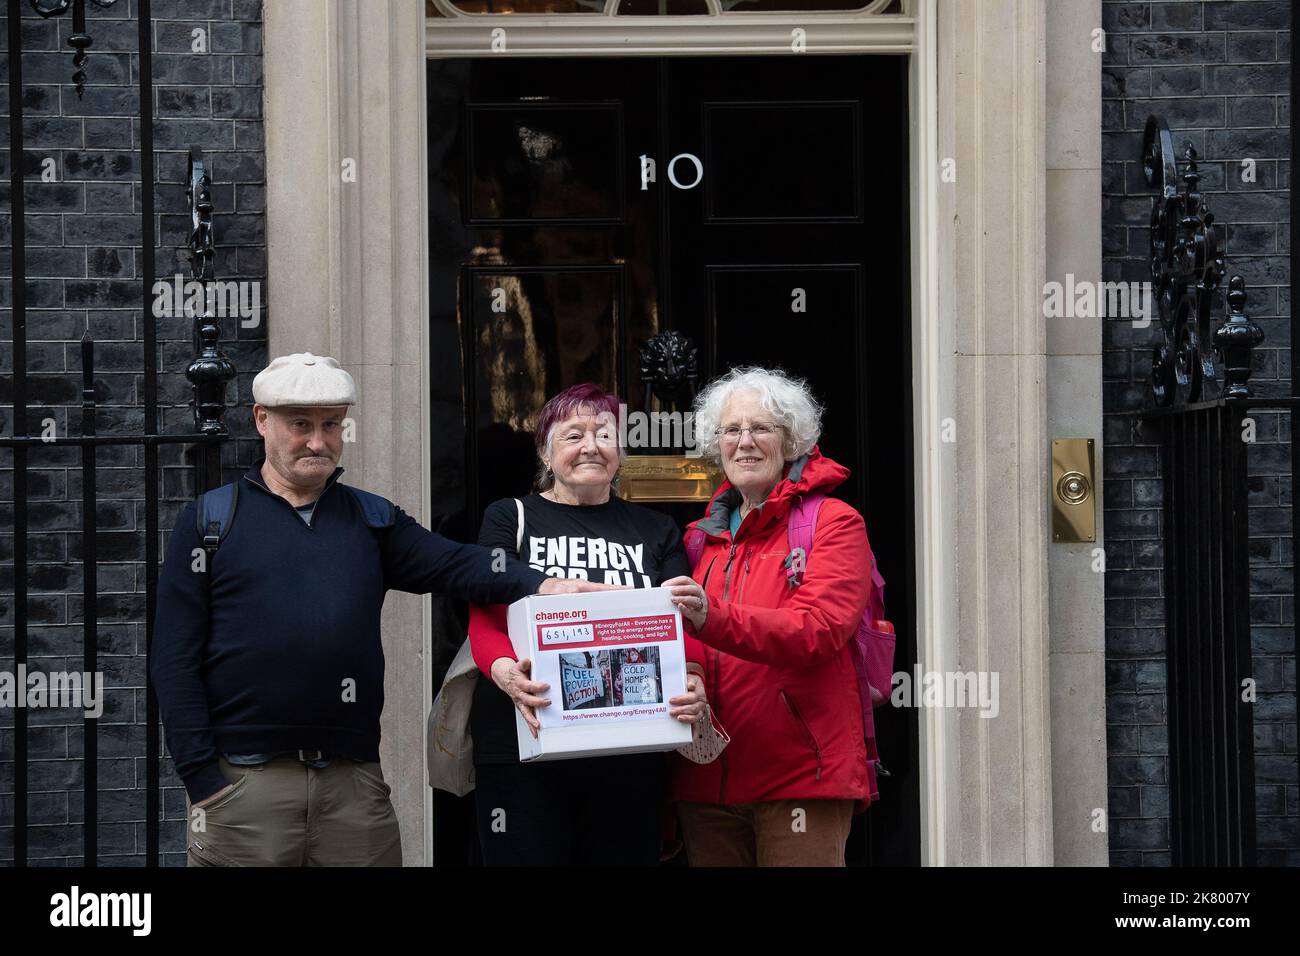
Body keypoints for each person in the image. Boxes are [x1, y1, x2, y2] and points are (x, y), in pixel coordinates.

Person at [151, 352, 611, 867]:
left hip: (354, 785)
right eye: (300, 425)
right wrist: (203, 780)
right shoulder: (212, 521)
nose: (318, 441)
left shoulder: (370, 519)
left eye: (331, 425)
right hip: (244, 784)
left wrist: (543, 584)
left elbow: (457, 563)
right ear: (261, 420)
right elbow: (173, 659)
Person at [467, 383, 709, 865]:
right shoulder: (509, 517)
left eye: (604, 433)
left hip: (628, 746)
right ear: (544, 449)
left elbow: (683, 620)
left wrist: (694, 675)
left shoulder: (657, 529)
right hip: (524, 736)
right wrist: (502, 671)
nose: (590, 446)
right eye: (572, 434)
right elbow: (482, 610)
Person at [660, 366, 874, 867]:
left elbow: (818, 630)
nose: (745, 441)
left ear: (792, 440)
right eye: (731, 430)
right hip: (705, 779)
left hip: (799, 775)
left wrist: (713, 617)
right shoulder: (696, 538)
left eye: (762, 428)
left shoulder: (834, 523)